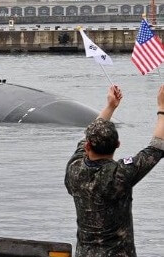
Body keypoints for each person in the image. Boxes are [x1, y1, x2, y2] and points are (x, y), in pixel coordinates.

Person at [65, 85, 164, 257]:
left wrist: (110, 106)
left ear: (88, 146)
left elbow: (85, 139)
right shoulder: (120, 173)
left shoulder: (74, 169)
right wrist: (162, 109)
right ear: (118, 145)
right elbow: (156, 148)